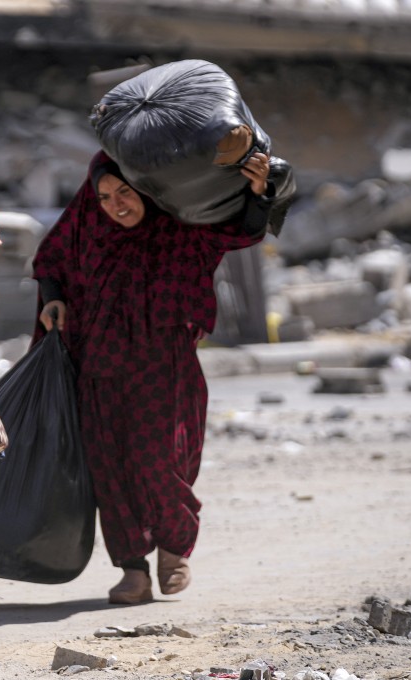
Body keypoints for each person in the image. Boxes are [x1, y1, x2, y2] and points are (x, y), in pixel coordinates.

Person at [32, 147, 275, 605]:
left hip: (164, 369)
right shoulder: (87, 230)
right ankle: (133, 570)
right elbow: (50, 262)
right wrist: (53, 298)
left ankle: (173, 545)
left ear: (144, 189)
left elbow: (238, 232)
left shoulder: (180, 232)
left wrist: (257, 192)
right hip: (98, 369)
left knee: (157, 462)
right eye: (104, 196)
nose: (115, 204)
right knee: (110, 472)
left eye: (125, 191)